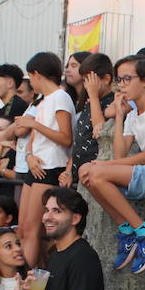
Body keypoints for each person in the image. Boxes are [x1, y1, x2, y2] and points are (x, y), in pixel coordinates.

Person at [79, 55, 145, 276]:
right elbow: (120, 152)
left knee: (97, 172)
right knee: (85, 172)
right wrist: (119, 115)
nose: (122, 86)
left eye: (127, 79)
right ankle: (127, 229)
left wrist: (104, 165)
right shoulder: (134, 112)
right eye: (120, 80)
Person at [15, 52, 74, 266]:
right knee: (22, 228)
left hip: (51, 166)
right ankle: (28, 275)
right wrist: (29, 155)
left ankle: (27, 282)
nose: (31, 81)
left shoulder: (60, 97)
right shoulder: (43, 101)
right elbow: (33, 138)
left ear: (37, 74)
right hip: (36, 165)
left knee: (32, 230)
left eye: (30, 77)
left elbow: (66, 138)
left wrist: (34, 124)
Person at [64, 53, 114, 188]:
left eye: (90, 80)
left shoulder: (113, 103)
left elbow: (100, 131)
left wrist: (93, 97)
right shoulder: (89, 102)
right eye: (85, 80)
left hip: (97, 175)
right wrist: (69, 171)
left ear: (106, 79)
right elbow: (78, 140)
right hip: (78, 175)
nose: (87, 86)